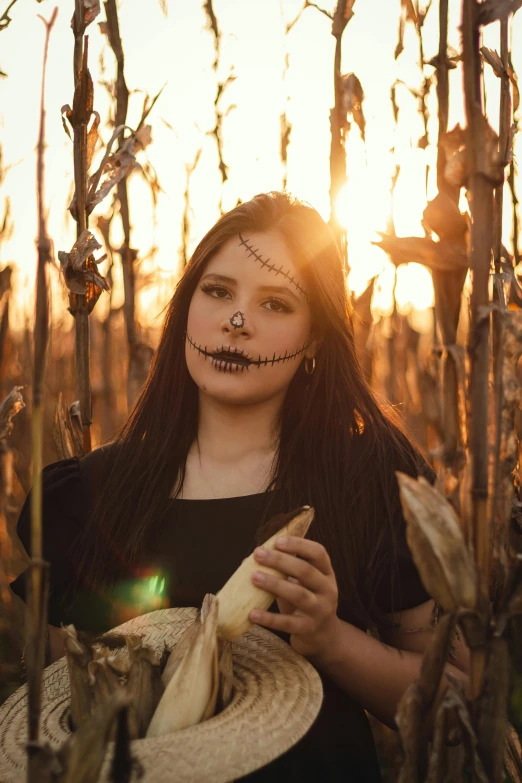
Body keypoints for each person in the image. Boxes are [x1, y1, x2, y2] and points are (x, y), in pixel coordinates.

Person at [10, 191, 469, 781]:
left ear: (315, 342)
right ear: (186, 310)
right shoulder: (89, 495)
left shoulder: (370, 477)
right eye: (218, 291)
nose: (236, 321)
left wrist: (330, 641)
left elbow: (455, 700)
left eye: (275, 304)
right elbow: (61, 711)